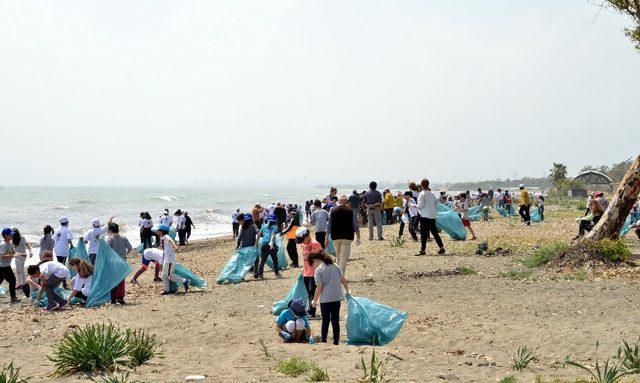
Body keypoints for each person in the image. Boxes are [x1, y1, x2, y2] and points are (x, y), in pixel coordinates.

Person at [310, 251, 349, 345]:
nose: (314, 265)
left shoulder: (319, 270)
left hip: (326, 299)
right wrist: (348, 290)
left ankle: (324, 341)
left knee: (325, 321)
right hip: (337, 297)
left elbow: (319, 287)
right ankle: (336, 341)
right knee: (335, 320)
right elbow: (343, 280)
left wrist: (314, 300)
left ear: (317, 260)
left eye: (314, 262)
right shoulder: (336, 266)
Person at [408, 179, 446, 256]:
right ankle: (441, 247)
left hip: (425, 215)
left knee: (423, 234)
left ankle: (422, 250)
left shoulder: (422, 194)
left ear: (421, 186)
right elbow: (436, 204)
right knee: (435, 233)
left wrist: (413, 205)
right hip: (432, 215)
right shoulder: (432, 193)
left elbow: (420, 205)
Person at [327, 195, 361, 275]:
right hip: (347, 237)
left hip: (335, 237)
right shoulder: (351, 211)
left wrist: (326, 237)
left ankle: (337, 275)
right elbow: (355, 225)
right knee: (344, 257)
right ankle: (340, 276)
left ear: (338, 202)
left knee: (338, 256)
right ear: (347, 202)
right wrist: (358, 237)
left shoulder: (332, 210)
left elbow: (329, 225)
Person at [154, 224, 190, 295]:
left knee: (169, 275)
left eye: (158, 230)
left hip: (170, 259)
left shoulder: (166, 236)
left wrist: (175, 247)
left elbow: (171, 240)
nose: (156, 231)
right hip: (166, 259)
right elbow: (165, 249)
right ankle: (167, 290)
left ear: (162, 231)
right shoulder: (162, 237)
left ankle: (185, 281)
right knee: (164, 275)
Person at [295, 227, 320, 317]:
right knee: (309, 292)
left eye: (302, 239)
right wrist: (303, 269)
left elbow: (322, 256)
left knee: (312, 291)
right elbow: (304, 258)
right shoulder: (303, 244)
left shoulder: (315, 244)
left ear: (307, 236)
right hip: (306, 272)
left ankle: (311, 311)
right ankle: (311, 309)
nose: (302, 242)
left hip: (315, 272)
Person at [106, 223, 132, 305]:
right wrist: (125, 254)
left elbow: (106, 250)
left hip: (113, 262)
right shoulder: (124, 238)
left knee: (113, 280)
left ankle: (113, 299)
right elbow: (130, 248)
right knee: (121, 280)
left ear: (110, 230)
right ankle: (120, 298)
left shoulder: (110, 239)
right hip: (122, 261)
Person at [254, 214, 281, 279]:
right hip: (271, 245)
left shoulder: (264, 226)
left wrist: (256, 243)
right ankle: (277, 274)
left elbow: (259, 235)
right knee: (275, 260)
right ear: (275, 220)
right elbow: (273, 235)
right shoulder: (275, 227)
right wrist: (271, 242)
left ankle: (260, 275)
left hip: (264, 245)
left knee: (263, 260)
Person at [11, 228, 33, 297]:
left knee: (21, 270)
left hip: (22, 256)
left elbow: (27, 244)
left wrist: (30, 251)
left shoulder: (22, 237)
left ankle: (23, 284)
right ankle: (20, 284)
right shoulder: (12, 238)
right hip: (16, 256)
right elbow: (12, 247)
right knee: (18, 270)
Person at [0, 228, 19, 303]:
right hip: (3, 266)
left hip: (5, 266)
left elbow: (13, 252)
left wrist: (19, 254)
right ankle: (13, 298)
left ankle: (13, 297)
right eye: (10, 234)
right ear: (5, 235)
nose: (12, 235)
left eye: (12, 234)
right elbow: (3, 255)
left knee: (4, 280)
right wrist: (14, 256)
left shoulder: (9, 243)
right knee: (12, 280)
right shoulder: (3, 244)